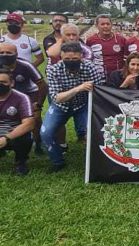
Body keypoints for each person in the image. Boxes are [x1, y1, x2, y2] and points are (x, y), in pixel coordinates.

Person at [41, 42, 106, 173]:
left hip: (83, 105)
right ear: (61, 57)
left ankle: (92, 161)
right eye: (67, 59)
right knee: (46, 132)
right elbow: (56, 98)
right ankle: (57, 161)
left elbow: (98, 92)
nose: (71, 61)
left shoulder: (90, 67)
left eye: (75, 59)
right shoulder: (54, 70)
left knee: (92, 132)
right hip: (61, 106)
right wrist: (79, 88)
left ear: (81, 56)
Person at [0, 42, 48, 155]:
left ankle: (38, 143)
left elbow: (42, 84)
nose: (5, 55)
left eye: (8, 53)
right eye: (2, 52)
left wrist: (38, 105)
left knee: (36, 118)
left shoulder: (26, 65)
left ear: (16, 54)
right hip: (3, 95)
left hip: (28, 94)